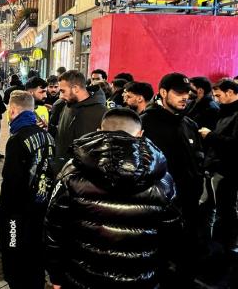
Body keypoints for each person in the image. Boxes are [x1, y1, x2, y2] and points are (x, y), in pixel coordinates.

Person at [45, 108, 180, 289]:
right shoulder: (162, 179)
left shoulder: (73, 172)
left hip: (84, 276)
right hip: (141, 278)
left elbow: (54, 228)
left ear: (100, 131)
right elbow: (171, 236)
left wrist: (56, 276)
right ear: (140, 134)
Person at [141, 73, 205, 285]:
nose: (184, 97)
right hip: (157, 208)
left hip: (188, 206)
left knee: (185, 264)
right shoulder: (146, 123)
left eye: (187, 93)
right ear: (163, 93)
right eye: (179, 93)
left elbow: (197, 159)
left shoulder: (189, 124)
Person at [0, 91, 55, 289]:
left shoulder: (17, 139)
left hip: (17, 214)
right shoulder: (47, 136)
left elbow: (10, 181)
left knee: (14, 259)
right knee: (36, 256)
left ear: (12, 111)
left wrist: (3, 211)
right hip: (42, 209)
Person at [200, 79, 238, 255]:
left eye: (218, 95)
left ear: (230, 92)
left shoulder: (234, 114)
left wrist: (210, 136)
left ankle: (226, 248)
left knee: (225, 212)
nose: (215, 99)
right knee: (215, 210)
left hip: (228, 171)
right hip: (217, 167)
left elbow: (234, 144)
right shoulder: (225, 112)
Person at [54, 70, 107, 173]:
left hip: (85, 179)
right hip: (63, 173)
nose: (60, 96)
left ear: (76, 88)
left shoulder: (102, 113)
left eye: (63, 91)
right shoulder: (66, 106)